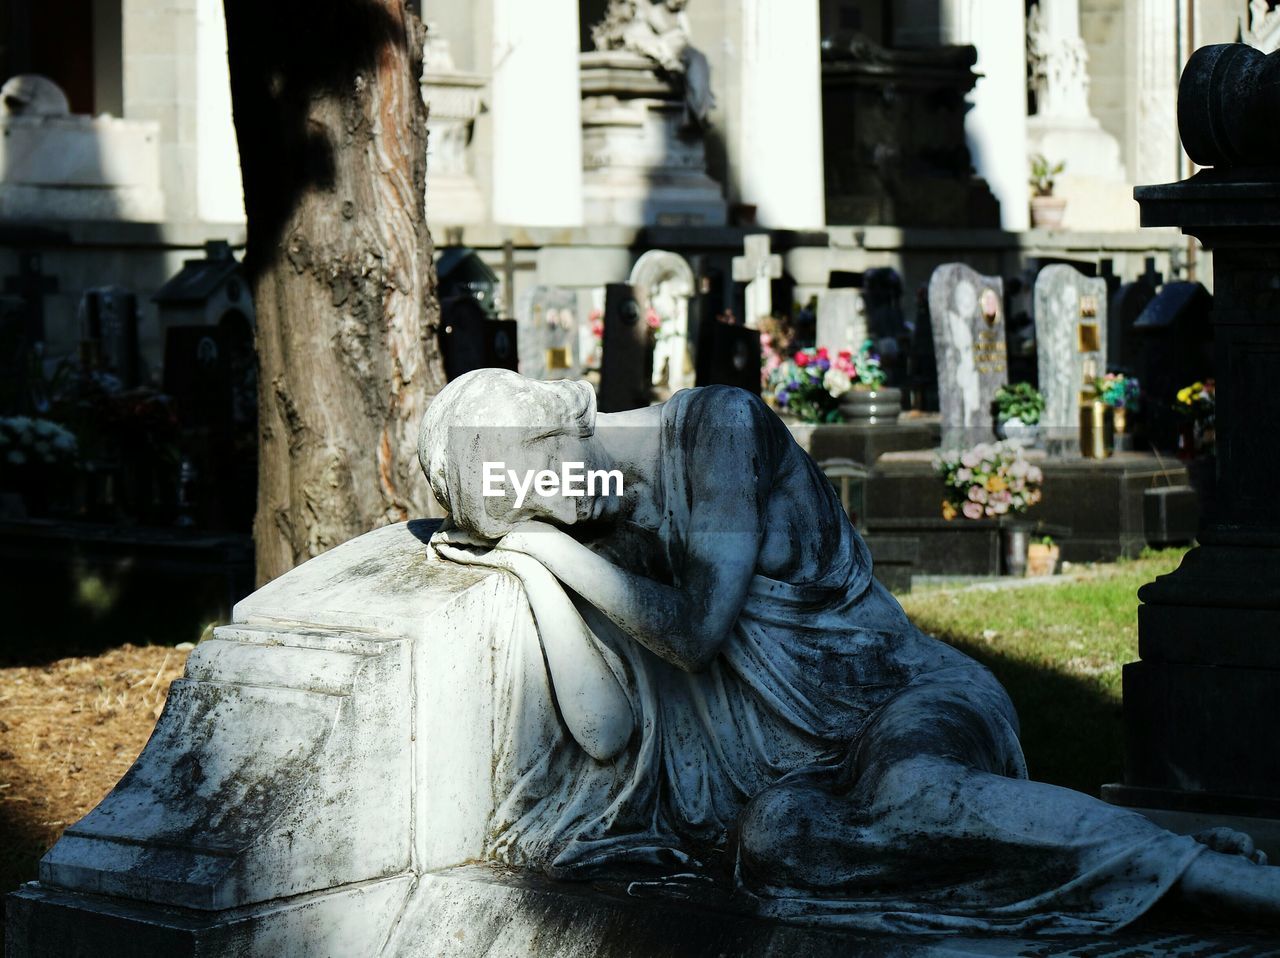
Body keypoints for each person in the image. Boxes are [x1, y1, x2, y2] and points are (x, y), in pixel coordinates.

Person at [419, 368, 1280, 934]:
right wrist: (532, 565)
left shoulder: (719, 426)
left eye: (532, 480)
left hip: (905, 704)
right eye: (521, 503)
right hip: (799, 783)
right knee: (775, 842)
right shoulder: (595, 538)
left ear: (562, 419)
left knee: (912, 791)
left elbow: (694, 633)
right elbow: (604, 733)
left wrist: (554, 551)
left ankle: (1206, 877)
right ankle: (1074, 867)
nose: (544, 503)